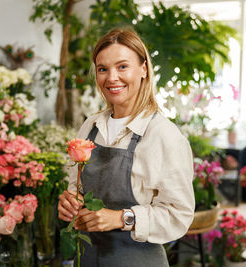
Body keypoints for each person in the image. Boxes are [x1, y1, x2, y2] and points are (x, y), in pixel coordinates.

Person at [58, 28, 194, 267]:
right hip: (88, 258)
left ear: (144, 69)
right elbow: (76, 186)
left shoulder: (163, 135)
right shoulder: (90, 127)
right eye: (103, 69)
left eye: (122, 67)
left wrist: (122, 218)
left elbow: (179, 216)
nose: (111, 78)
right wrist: (71, 200)